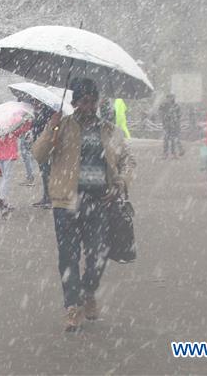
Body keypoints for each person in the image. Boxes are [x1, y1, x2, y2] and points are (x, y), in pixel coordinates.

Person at [33, 78, 135, 332]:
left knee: (98, 255)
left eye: (92, 100)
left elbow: (128, 161)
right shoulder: (62, 127)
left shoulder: (109, 130)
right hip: (66, 202)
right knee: (68, 256)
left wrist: (121, 182)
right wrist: (50, 129)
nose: (88, 106)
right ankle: (72, 306)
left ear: (97, 102)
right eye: (83, 100)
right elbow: (39, 154)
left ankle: (89, 291)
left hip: (100, 201)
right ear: (74, 102)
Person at [0, 119, 32, 217]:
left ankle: (3, 200)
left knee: (5, 178)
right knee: (6, 178)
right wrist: (27, 122)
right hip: (9, 155)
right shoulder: (11, 127)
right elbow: (21, 131)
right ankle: (1, 199)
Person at [159, 93, 184, 159]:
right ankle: (165, 154)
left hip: (174, 125)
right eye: (169, 97)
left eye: (172, 97)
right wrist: (165, 116)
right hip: (166, 125)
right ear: (167, 98)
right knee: (166, 140)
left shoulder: (176, 106)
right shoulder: (163, 105)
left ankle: (174, 154)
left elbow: (179, 115)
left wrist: (176, 120)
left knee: (173, 140)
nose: (170, 99)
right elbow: (160, 113)